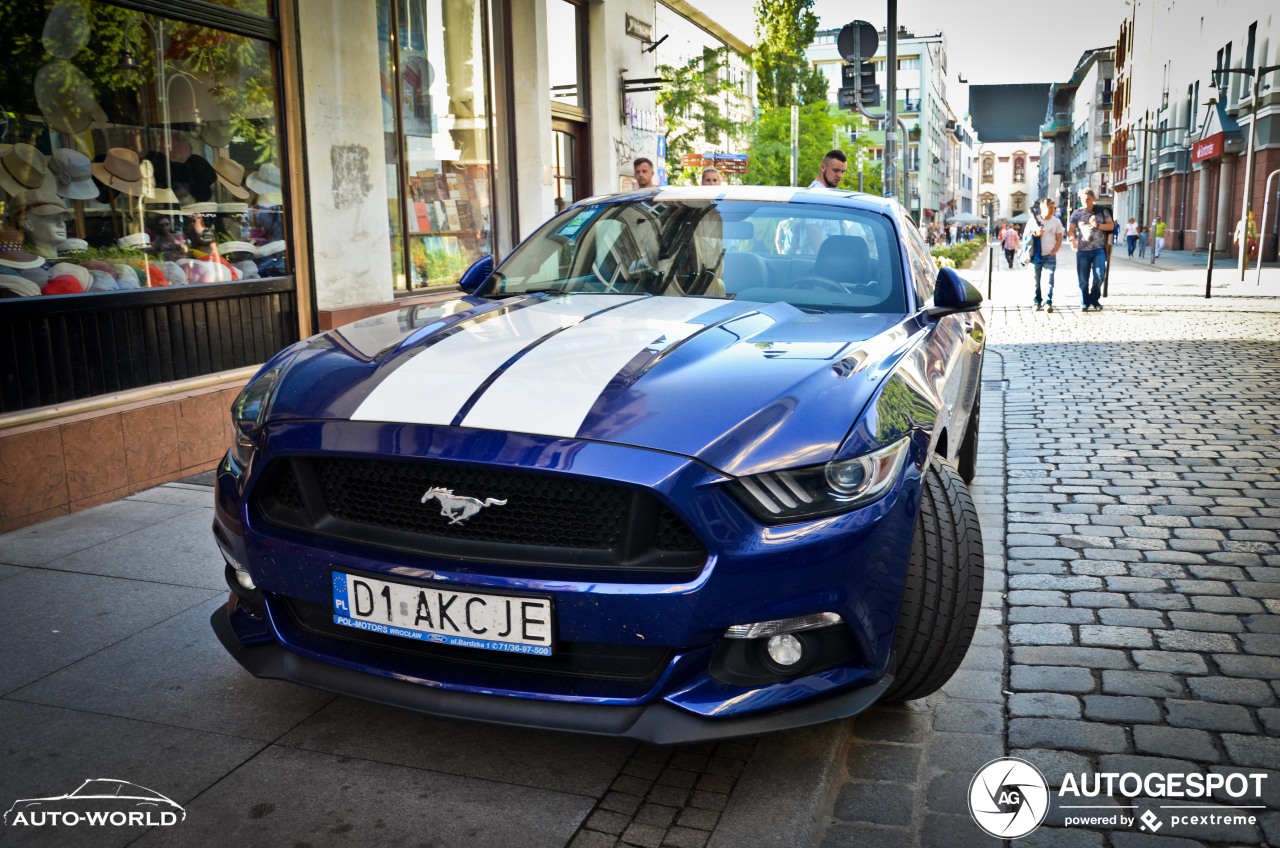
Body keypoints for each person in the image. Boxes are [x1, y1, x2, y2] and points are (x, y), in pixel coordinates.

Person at [1068, 187, 1114, 312]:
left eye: (1088, 199)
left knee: (1099, 276)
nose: (1085, 201)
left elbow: (1111, 226)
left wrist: (1097, 225)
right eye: (1083, 199)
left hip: (1099, 249)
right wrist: (1072, 241)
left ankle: (1094, 298)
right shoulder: (1077, 213)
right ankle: (1084, 302)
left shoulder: (1102, 211)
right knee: (1083, 279)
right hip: (1083, 250)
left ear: (1093, 199)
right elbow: (1071, 230)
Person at [1026, 198, 1064, 312]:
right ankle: (1036, 302)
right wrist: (1036, 233)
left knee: (1049, 280)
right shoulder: (1033, 220)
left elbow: (1059, 238)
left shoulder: (1056, 221)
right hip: (1035, 255)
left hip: (1049, 256)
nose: (1053, 210)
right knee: (1035, 281)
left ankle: (1048, 302)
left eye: (1054, 208)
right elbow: (1026, 236)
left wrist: (1054, 251)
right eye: (1050, 208)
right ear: (1042, 208)